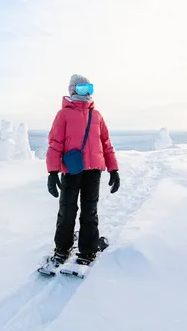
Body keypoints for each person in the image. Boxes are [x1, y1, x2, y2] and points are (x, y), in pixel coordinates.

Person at [46, 74, 120, 265]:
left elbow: (106, 143)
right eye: (81, 89)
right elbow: (55, 143)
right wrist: (53, 172)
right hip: (72, 170)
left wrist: (113, 169)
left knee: (89, 211)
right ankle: (62, 248)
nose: (86, 93)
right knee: (67, 210)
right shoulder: (63, 114)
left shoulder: (96, 115)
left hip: (94, 170)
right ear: (71, 90)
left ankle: (88, 250)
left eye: (89, 88)